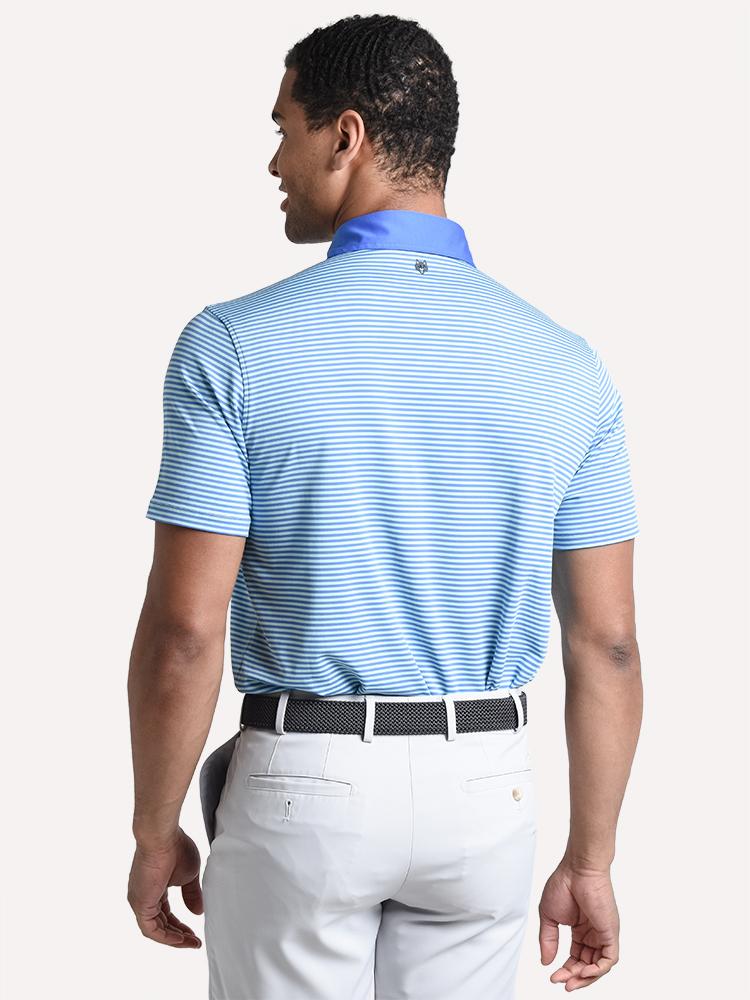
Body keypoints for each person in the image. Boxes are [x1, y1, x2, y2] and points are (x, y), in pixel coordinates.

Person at [127, 13, 643, 999]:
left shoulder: (231, 345)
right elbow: (608, 642)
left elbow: (186, 631)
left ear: (346, 136)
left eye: (284, 129)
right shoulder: (569, 366)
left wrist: (156, 830)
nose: (274, 161)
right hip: (485, 787)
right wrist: (591, 859)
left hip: (304, 784)